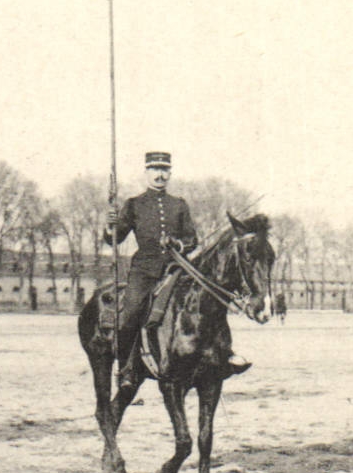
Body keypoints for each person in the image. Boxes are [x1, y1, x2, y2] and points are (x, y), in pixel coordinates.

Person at [105, 152, 249, 375]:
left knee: (208, 303)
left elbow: (192, 240)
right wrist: (110, 226)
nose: (160, 175)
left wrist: (178, 244)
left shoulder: (179, 205)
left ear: (169, 173)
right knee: (130, 314)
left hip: (178, 268)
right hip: (144, 270)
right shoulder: (134, 204)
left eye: (164, 170)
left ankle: (223, 352)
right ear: (146, 173)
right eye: (155, 170)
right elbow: (114, 239)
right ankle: (126, 368)